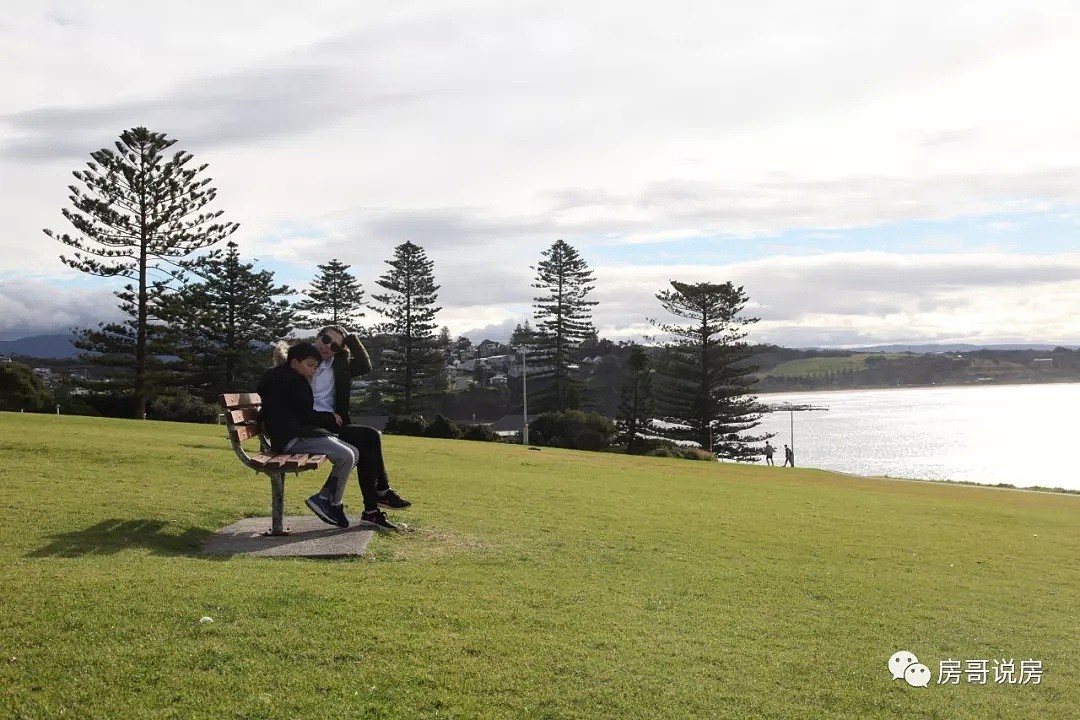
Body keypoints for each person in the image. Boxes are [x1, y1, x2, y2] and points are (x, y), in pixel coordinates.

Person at [256, 342, 359, 529]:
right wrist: (329, 418)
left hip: (293, 435)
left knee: (353, 452)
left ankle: (325, 497)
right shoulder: (294, 382)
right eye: (309, 365)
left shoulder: (282, 378)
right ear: (294, 362)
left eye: (315, 367)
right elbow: (305, 416)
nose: (312, 371)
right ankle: (332, 503)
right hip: (291, 440)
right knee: (347, 455)